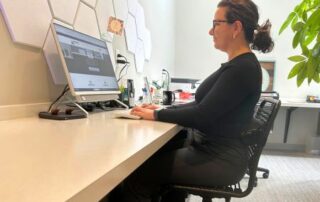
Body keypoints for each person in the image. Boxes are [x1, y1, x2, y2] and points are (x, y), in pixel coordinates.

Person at [108, 0, 274, 201]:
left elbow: (202, 115)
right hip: (211, 148)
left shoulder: (242, 69)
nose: (210, 31)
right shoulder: (238, 66)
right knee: (155, 157)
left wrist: (156, 114)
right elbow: (201, 106)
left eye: (216, 24)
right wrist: (157, 109)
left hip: (220, 158)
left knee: (138, 174)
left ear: (236, 27)